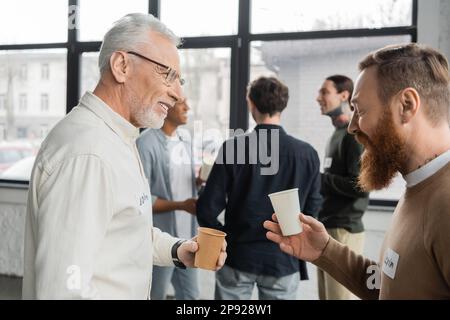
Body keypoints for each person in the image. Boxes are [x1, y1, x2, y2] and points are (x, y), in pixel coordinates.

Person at [22, 13, 226, 299]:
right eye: (168, 74)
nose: (178, 93)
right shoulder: (89, 153)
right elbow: (63, 290)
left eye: (180, 79)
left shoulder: (118, 137)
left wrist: (179, 250)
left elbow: (127, 229)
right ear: (121, 66)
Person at [264, 43, 450, 299]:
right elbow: (387, 285)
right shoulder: (417, 187)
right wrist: (325, 250)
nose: (352, 127)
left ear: (406, 105)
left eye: (360, 111)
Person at [197, 76, 322, 300]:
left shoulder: (234, 148)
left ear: (250, 104)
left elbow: (206, 209)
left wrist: (226, 238)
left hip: (238, 254)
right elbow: (312, 210)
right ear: (282, 106)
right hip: (283, 258)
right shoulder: (307, 154)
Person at [137, 99, 201, 300]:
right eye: (181, 103)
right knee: (155, 295)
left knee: (191, 296)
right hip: (160, 240)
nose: (187, 107)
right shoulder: (145, 143)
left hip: (188, 238)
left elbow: (182, 183)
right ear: (166, 106)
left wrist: (198, 181)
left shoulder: (185, 139)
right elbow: (142, 199)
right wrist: (181, 206)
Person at [315, 75, 369, 300]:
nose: (318, 97)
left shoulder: (352, 136)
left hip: (344, 230)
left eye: (324, 92)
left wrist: (319, 179)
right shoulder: (335, 136)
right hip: (328, 227)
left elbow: (361, 185)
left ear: (344, 95)